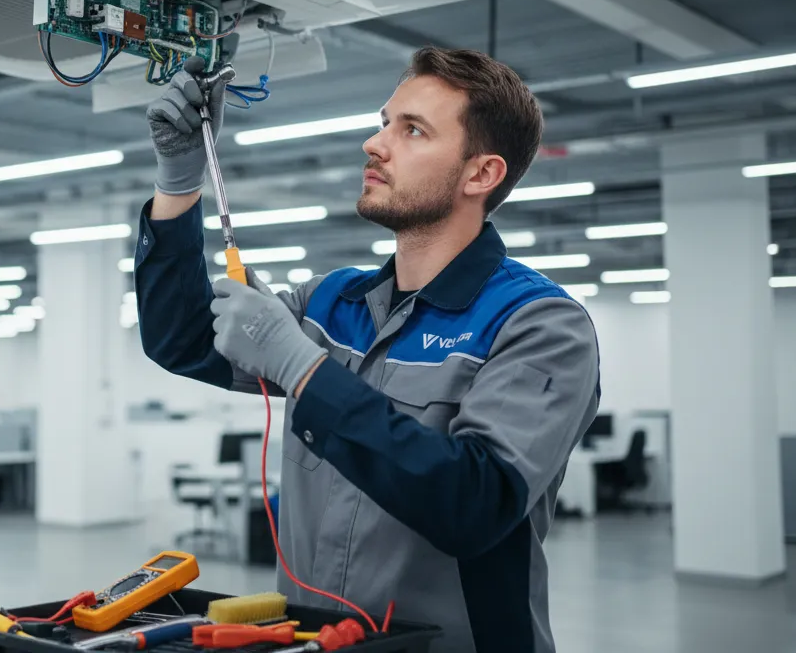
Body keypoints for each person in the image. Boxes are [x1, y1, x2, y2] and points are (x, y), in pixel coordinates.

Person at [133, 48, 600, 652]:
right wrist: (178, 181)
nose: (374, 144)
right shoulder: (331, 302)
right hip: (311, 642)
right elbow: (183, 340)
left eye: (412, 130)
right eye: (385, 121)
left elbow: (474, 504)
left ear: (480, 174)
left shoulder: (540, 325)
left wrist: (302, 367)